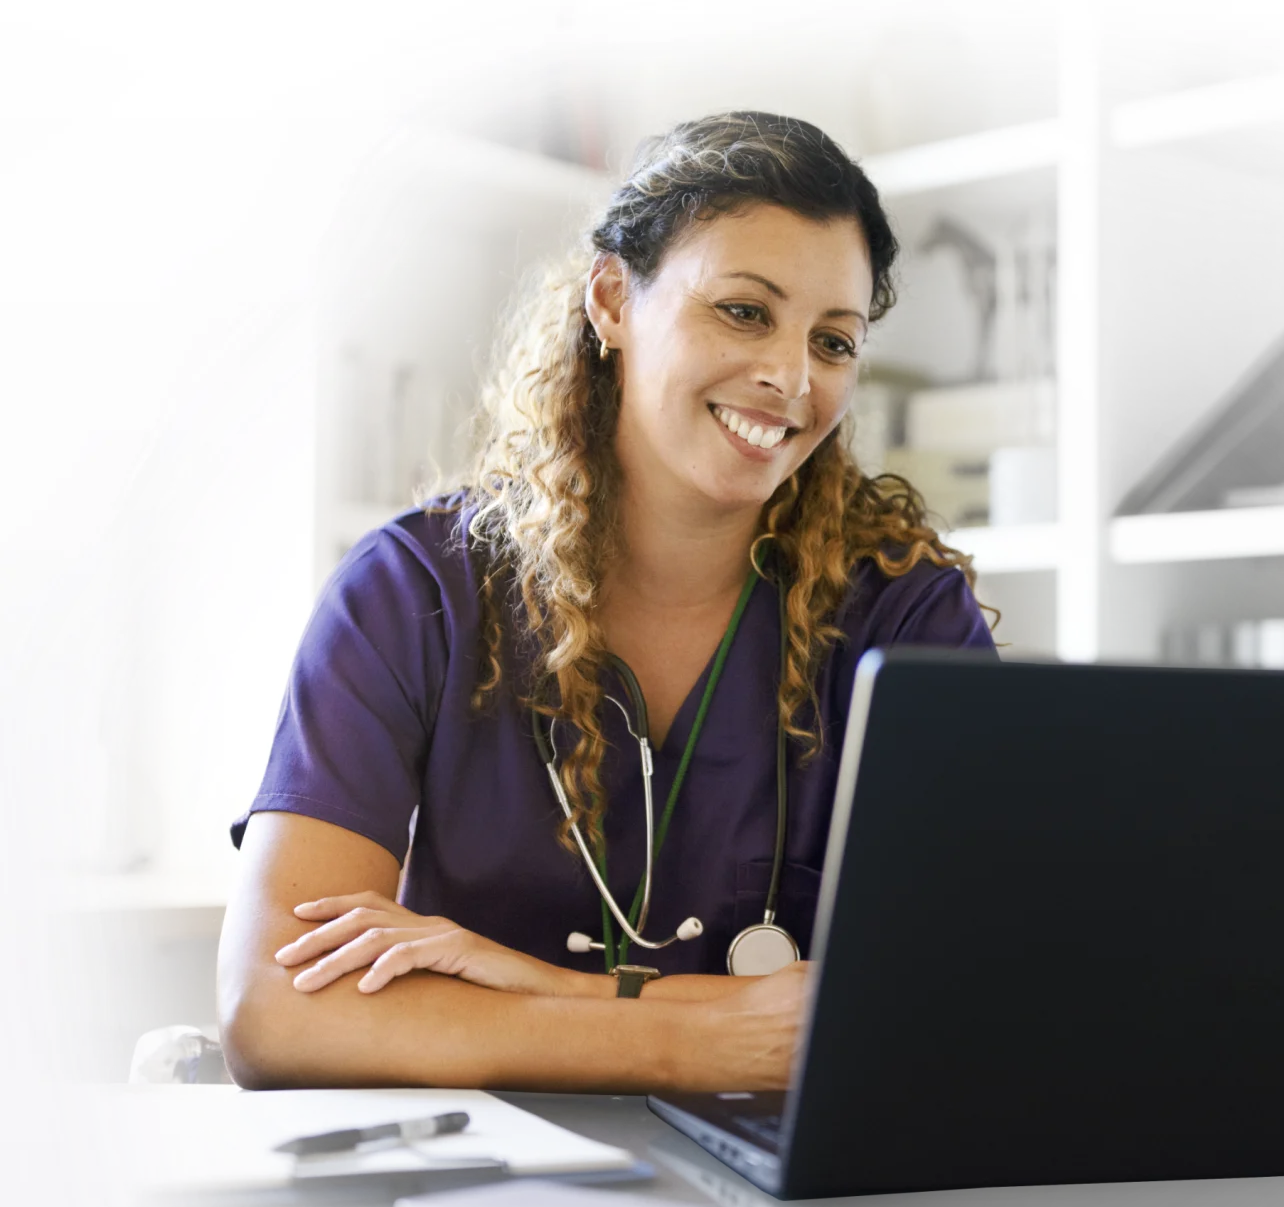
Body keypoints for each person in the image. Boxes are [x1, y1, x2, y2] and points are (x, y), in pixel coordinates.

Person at [217, 111, 997, 1094]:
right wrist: (698, 1041)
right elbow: (278, 1010)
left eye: (833, 340)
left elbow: (952, 1001)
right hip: (476, 1200)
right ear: (611, 300)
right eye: (745, 311)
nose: (791, 376)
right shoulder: (412, 592)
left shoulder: (902, 615)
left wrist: (538, 985)